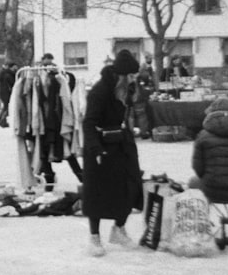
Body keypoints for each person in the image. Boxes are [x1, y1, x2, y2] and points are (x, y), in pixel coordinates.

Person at [81, 49, 141, 256]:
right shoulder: (100, 91)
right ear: (122, 76)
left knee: (129, 185)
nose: (135, 79)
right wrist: (95, 148)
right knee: (98, 191)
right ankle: (94, 237)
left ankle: (119, 229)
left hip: (121, 143)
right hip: (100, 146)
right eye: (132, 76)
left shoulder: (126, 90)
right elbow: (88, 122)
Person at [38, 53, 83, 183]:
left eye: (50, 64)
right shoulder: (38, 78)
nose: (48, 66)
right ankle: (51, 177)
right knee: (51, 151)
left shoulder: (59, 78)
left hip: (54, 120)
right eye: (46, 64)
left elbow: (66, 97)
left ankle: (78, 177)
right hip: (50, 120)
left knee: (59, 150)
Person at [133, 53, 156, 139]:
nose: (150, 59)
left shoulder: (146, 68)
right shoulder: (143, 69)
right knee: (141, 114)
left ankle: (141, 131)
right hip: (139, 96)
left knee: (137, 115)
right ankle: (144, 132)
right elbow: (145, 79)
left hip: (137, 95)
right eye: (149, 58)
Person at [0, 59, 16, 128]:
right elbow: (12, 83)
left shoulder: (3, 73)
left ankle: (0, 120)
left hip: (3, 92)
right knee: (7, 107)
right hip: (6, 93)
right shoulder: (7, 74)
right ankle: (2, 121)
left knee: (5, 107)